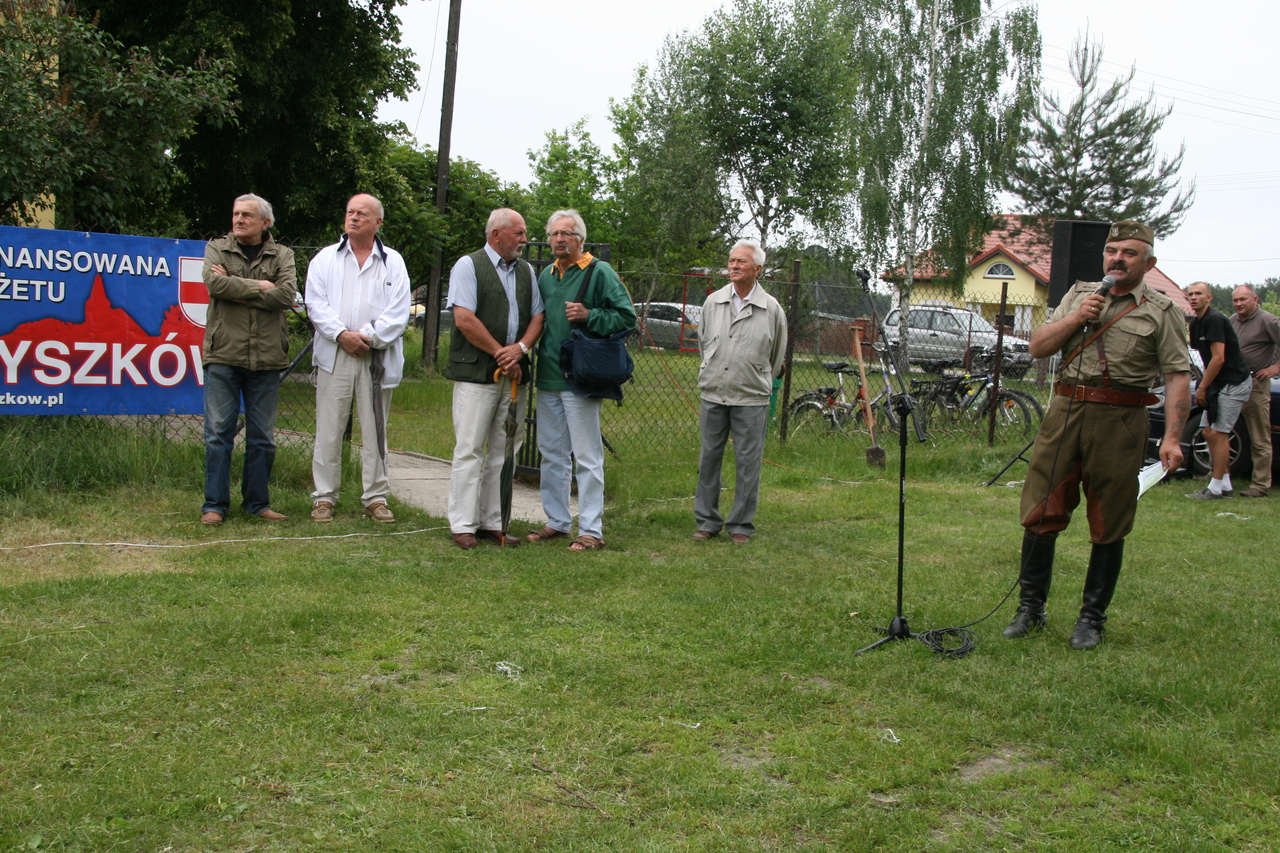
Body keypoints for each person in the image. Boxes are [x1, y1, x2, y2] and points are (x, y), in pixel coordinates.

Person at [1004, 220, 1190, 650]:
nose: (1117, 259)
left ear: (1149, 262)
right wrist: (1076, 316)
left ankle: (1091, 620)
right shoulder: (1079, 294)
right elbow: (1038, 346)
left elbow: (1178, 376)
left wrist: (1173, 438)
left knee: (1109, 521)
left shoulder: (1163, 311)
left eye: (1128, 252)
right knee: (1040, 510)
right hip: (1065, 412)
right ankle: (1030, 610)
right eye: (1112, 251)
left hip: (1120, 420)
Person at [526, 209, 636, 551]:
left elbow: (626, 317)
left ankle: (591, 530)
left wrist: (591, 315)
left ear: (580, 239)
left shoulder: (599, 271)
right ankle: (557, 522)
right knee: (552, 454)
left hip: (581, 377)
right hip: (548, 376)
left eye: (566, 234)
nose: (559, 239)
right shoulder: (545, 275)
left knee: (587, 456)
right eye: (554, 234)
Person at [305, 194, 411, 523]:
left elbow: (398, 311)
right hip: (335, 353)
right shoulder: (325, 259)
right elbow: (315, 303)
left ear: (378, 222)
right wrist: (341, 334)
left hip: (374, 357)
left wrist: (365, 336)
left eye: (362, 214)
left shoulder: (393, 262)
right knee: (328, 429)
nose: (354, 217)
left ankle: (375, 498)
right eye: (350, 211)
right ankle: (324, 498)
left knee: (375, 429)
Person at [444, 209, 545, 549]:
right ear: (496, 234)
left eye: (524, 233)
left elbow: (538, 317)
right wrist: (502, 353)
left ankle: (492, 521)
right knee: (470, 447)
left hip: (514, 372)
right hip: (476, 374)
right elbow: (464, 319)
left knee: (504, 449)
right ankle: (462, 524)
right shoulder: (468, 266)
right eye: (518, 233)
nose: (524, 239)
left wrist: (519, 349)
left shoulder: (527, 272)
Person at [199, 193, 297, 525]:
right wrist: (259, 286)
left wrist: (236, 287)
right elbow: (214, 284)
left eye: (247, 216)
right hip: (224, 354)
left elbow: (286, 295)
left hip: (267, 358)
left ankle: (257, 503)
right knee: (218, 433)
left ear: (265, 223)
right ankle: (214, 505)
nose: (239, 220)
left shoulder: (282, 254)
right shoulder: (217, 247)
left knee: (262, 437)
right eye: (236, 213)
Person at [692, 239, 787, 544]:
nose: (733, 266)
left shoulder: (771, 309)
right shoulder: (713, 302)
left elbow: (777, 356)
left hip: (751, 397)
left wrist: (755, 377)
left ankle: (740, 526)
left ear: (757, 269)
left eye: (741, 262)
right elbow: (703, 344)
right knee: (709, 459)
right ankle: (707, 522)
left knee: (748, 462)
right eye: (731, 261)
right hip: (714, 393)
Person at [1184, 281, 1252, 500]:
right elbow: (1202, 357)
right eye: (1190, 294)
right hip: (1217, 384)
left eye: (1199, 294)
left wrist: (1202, 386)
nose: (1194, 297)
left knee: (1219, 432)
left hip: (1234, 382)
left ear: (1209, 298)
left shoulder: (1215, 319)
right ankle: (1226, 485)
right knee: (1207, 431)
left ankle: (1214, 489)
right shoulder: (1195, 324)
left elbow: (1219, 358)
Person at [1228, 284, 1280, 497]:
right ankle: (1218, 476)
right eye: (1235, 300)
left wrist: (1275, 368)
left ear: (1255, 299)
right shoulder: (1232, 320)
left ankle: (1260, 485)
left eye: (1243, 299)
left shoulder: (1268, 320)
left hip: (1256, 384)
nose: (1239, 304)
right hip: (1232, 383)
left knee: (1259, 438)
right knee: (1221, 431)